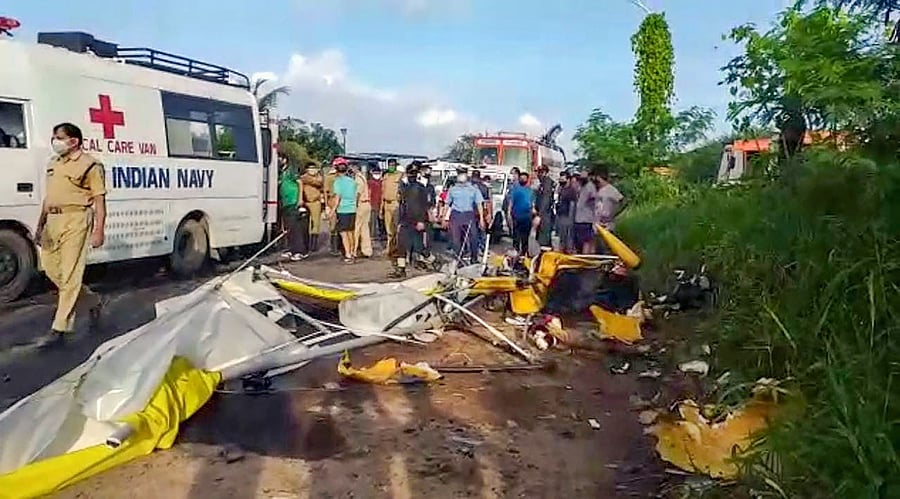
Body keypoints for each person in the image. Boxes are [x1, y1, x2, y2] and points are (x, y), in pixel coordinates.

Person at [34, 123, 105, 347]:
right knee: (52, 269)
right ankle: (93, 300)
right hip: (52, 221)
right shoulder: (53, 163)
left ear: (74, 141)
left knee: (71, 275)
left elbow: (100, 201)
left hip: (76, 219)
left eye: (59, 137)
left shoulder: (90, 165)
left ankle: (60, 328)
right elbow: (49, 198)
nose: (54, 141)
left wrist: (99, 229)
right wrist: (40, 225)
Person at [390, 164, 433, 278]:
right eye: (410, 174)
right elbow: (403, 206)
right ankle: (401, 269)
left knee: (419, 246)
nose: (412, 176)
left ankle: (432, 261)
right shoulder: (405, 188)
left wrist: (421, 221)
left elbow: (423, 206)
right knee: (402, 245)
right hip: (406, 220)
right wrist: (400, 221)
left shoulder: (420, 188)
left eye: (414, 174)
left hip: (417, 220)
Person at [443, 168, 485, 263]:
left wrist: (482, 219)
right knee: (456, 239)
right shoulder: (452, 189)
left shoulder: (473, 189)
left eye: (463, 173)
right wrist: (444, 217)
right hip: (456, 215)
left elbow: (479, 204)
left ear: (467, 176)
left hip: (469, 215)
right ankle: (459, 260)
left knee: (473, 237)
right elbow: (447, 204)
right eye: (459, 174)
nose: (461, 176)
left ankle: (474, 259)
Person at [278, 153, 309, 261]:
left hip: (293, 201)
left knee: (296, 228)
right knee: (289, 227)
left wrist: (300, 199)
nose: (278, 160)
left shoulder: (291, 170)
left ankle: (300, 251)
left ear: (285, 159)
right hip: (286, 202)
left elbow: (300, 183)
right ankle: (292, 249)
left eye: (280, 158)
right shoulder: (281, 172)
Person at [330, 158, 358, 263]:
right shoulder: (352, 181)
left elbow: (337, 199)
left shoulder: (337, 182)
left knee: (343, 233)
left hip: (343, 210)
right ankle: (352, 252)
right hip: (352, 209)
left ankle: (348, 254)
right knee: (351, 232)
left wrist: (331, 212)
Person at [508, 170, 536, 255]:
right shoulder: (515, 189)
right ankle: (515, 253)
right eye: (521, 178)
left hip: (527, 217)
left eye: (524, 178)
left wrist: (535, 215)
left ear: (527, 180)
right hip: (516, 216)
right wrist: (508, 213)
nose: (522, 179)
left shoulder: (531, 191)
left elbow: (532, 204)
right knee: (516, 236)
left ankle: (524, 254)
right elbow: (511, 202)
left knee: (525, 237)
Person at [300, 159, 324, 252]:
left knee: (316, 224)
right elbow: (309, 180)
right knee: (306, 224)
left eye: (314, 168)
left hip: (315, 202)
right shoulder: (304, 177)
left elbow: (319, 183)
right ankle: (306, 244)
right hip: (306, 202)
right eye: (310, 168)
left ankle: (314, 245)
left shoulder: (319, 177)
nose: (313, 170)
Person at [381, 158, 403, 258]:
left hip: (395, 204)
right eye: (389, 165)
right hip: (386, 204)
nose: (391, 167)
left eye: (393, 165)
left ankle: (398, 249)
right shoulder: (385, 176)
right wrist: (381, 208)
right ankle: (389, 248)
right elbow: (382, 192)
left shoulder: (400, 175)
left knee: (397, 228)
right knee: (388, 228)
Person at [573, 170, 598, 254]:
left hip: (586, 219)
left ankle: (586, 257)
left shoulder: (590, 186)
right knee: (580, 241)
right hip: (579, 219)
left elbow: (594, 198)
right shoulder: (581, 187)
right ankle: (583, 256)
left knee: (586, 241)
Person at [352, 162, 374, 258]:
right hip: (366, 204)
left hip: (361, 204)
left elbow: (357, 193)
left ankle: (354, 250)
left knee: (356, 228)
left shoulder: (358, 178)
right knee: (365, 229)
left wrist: (354, 206)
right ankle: (367, 251)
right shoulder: (363, 177)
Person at [555, 172, 579, 253]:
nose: (561, 181)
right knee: (561, 237)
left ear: (568, 179)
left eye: (563, 179)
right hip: (560, 215)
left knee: (567, 238)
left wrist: (571, 219)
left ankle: (568, 251)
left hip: (567, 216)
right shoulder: (561, 189)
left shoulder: (571, 191)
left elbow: (572, 205)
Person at [471, 169, 492, 255]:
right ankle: (482, 249)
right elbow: (488, 202)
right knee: (481, 231)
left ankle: (472, 250)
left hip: (470, 212)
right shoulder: (484, 187)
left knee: (472, 232)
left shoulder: (469, 187)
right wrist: (489, 214)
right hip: (482, 212)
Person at [534, 166, 556, 247]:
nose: (538, 174)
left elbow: (545, 200)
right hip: (542, 214)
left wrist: (539, 215)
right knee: (540, 238)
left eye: (540, 172)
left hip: (545, 215)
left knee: (544, 239)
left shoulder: (547, 183)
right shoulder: (542, 183)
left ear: (545, 173)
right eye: (538, 172)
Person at [323, 162, 342, 256]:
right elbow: (326, 192)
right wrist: (326, 206)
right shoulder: (329, 177)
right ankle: (334, 248)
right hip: (332, 201)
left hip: (341, 203)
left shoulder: (342, 177)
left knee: (339, 226)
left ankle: (338, 247)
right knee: (333, 226)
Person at [367, 165, 384, 241]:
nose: (377, 174)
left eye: (378, 173)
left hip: (381, 204)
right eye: (375, 173)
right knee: (372, 221)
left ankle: (382, 234)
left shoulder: (382, 182)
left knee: (382, 221)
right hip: (373, 204)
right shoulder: (370, 182)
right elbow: (368, 193)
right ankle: (372, 235)